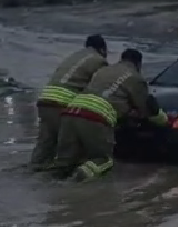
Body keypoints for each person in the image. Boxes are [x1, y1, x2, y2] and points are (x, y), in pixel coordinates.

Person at [53, 48, 169, 182]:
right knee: (103, 160)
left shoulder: (104, 70)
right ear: (138, 64)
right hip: (95, 117)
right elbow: (147, 109)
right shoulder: (135, 78)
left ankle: (52, 188)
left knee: (64, 162)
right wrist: (164, 120)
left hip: (70, 112)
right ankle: (81, 177)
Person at [29, 34, 108, 171]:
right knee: (72, 146)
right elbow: (99, 88)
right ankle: (66, 180)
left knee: (45, 142)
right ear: (102, 49)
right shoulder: (99, 61)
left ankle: (34, 169)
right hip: (64, 104)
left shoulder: (74, 56)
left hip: (45, 99)